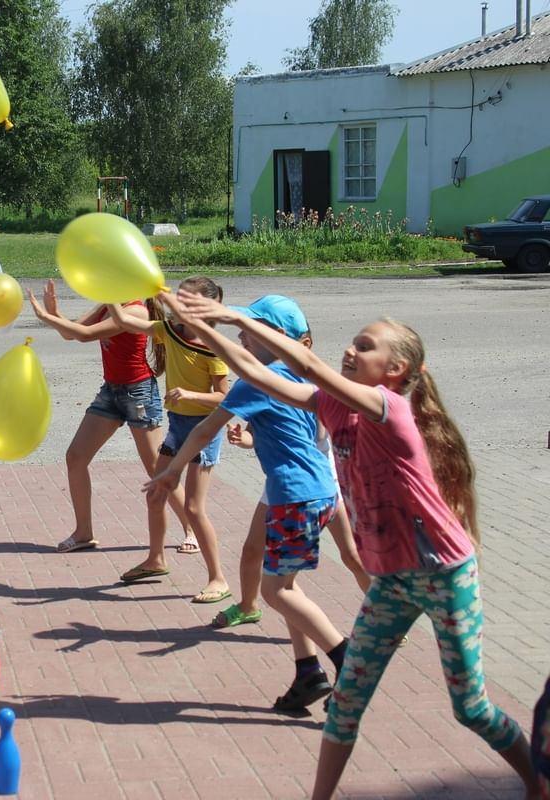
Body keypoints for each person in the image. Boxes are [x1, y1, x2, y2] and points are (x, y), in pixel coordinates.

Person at [172, 289, 539, 800]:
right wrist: (206, 328)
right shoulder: (333, 407)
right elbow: (258, 375)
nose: (351, 349)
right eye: (353, 341)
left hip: (444, 574)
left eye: (365, 346)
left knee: (470, 708)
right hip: (391, 584)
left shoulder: (389, 407)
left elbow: (307, 364)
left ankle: (536, 780)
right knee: (345, 705)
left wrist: (231, 314)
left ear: (397, 368)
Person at [147, 294, 350, 714]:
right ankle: (307, 672)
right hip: (319, 489)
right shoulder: (299, 375)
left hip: (296, 494)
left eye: (253, 327)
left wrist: (170, 472)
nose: (243, 332)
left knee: (274, 591)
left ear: (276, 338)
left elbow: (205, 431)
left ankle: (349, 663)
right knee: (286, 584)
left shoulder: (256, 381)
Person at [26, 279, 195, 554]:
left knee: (158, 468)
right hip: (112, 392)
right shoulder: (109, 304)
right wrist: (55, 314)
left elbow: (83, 335)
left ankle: (192, 529)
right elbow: (73, 333)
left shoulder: (136, 311)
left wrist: (46, 317)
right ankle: (84, 533)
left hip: (139, 393)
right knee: (76, 457)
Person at [107, 276, 230, 603]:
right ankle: (156, 560)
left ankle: (218, 578)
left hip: (204, 430)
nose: (175, 304)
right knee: (156, 493)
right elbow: (121, 321)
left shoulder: (213, 347)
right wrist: (108, 293)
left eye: (184, 300)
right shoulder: (168, 331)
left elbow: (224, 398)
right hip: (178, 426)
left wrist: (189, 393)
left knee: (192, 507)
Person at [213, 421, 371, 630]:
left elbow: (322, 432)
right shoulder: (265, 392)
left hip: (319, 482)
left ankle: (381, 618)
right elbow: (252, 434)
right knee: (252, 551)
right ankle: (247, 606)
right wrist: (242, 438)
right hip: (281, 482)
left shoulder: (313, 391)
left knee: (351, 556)